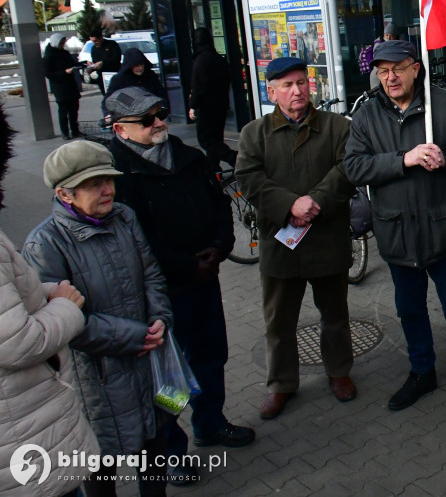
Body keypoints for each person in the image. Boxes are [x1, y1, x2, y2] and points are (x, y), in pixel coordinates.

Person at [106, 87, 255, 481]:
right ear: (120, 129)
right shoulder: (116, 177)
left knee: (210, 355)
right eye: (148, 119)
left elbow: (221, 204)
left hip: (204, 279)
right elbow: (137, 241)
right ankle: (171, 448)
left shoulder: (188, 157)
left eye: (161, 113)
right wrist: (188, 266)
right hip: (161, 292)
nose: (159, 123)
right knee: (169, 375)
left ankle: (210, 423)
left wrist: (221, 247)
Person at [344, 39, 446, 429]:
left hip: (444, 229)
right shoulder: (367, 115)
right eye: (382, 71)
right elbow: (354, 168)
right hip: (398, 232)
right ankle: (422, 372)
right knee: (410, 311)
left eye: (396, 68)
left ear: (415, 68)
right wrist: (404, 160)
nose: (389, 77)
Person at [22, 140, 175, 496]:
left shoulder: (124, 216)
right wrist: (136, 335)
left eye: (108, 179)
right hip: (96, 380)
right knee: (98, 466)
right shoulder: (44, 245)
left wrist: (160, 319)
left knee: (154, 447)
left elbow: (151, 272)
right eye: (94, 184)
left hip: (150, 361)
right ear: (65, 193)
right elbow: (66, 322)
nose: (107, 189)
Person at [236, 56, 357, 420]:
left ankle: (339, 372)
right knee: (279, 321)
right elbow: (249, 179)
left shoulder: (338, 127)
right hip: (280, 244)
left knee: (334, 315)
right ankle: (282, 384)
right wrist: (290, 204)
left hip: (326, 239)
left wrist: (314, 202)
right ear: (271, 92)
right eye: (287, 85)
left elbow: (347, 168)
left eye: (302, 82)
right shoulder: (254, 133)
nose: (297, 90)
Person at [0, 103, 100, 497]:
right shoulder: (47, 240)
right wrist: (64, 304)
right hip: (27, 436)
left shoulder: (122, 219)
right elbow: (16, 340)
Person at [188, 27, 237, 169]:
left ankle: (234, 157)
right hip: (221, 105)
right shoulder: (218, 59)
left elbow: (198, 87)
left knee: (207, 140)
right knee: (215, 139)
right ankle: (213, 169)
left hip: (207, 107)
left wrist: (193, 105)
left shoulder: (201, 61)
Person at [42, 33, 83, 139]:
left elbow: (73, 63)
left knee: (74, 110)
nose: (63, 45)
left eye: (63, 43)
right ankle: (65, 132)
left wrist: (83, 64)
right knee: (63, 111)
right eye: (61, 43)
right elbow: (49, 74)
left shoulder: (64, 53)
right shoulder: (49, 56)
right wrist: (64, 72)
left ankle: (75, 130)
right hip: (60, 87)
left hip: (70, 85)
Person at [86, 31, 121, 97]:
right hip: (102, 77)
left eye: (96, 41)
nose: (94, 43)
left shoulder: (112, 44)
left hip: (113, 74)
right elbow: (95, 62)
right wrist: (91, 67)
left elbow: (117, 58)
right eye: (92, 41)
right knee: (106, 97)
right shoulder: (93, 48)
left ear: (101, 38)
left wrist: (103, 63)